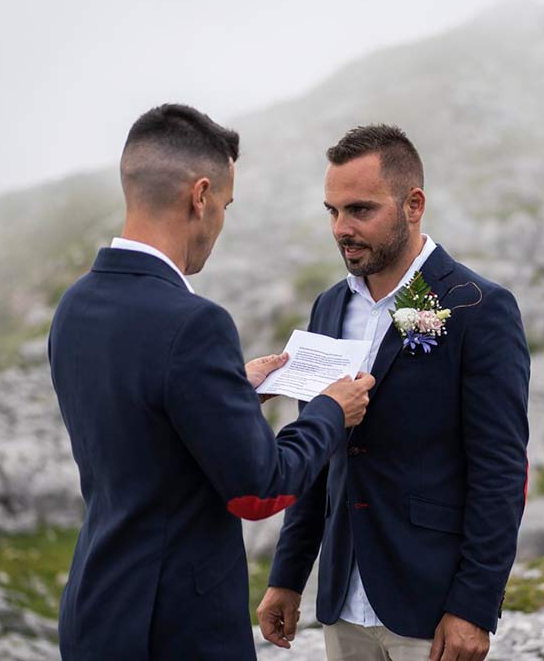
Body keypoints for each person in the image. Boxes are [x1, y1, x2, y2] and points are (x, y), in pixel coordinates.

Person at [48, 103, 374, 661]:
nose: (220, 221)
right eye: (224, 205)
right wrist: (327, 409)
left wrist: (232, 392)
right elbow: (259, 489)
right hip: (177, 625)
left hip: (96, 608)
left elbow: (142, 422)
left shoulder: (76, 305)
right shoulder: (193, 323)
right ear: (199, 196)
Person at [257, 125, 530, 661]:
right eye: (332, 211)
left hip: (429, 608)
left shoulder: (478, 306)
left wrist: (475, 605)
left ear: (414, 204)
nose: (342, 228)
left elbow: (500, 470)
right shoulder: (329, 307)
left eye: (360, 210)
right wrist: (288, 576)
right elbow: (318, 451)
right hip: (341, 605)